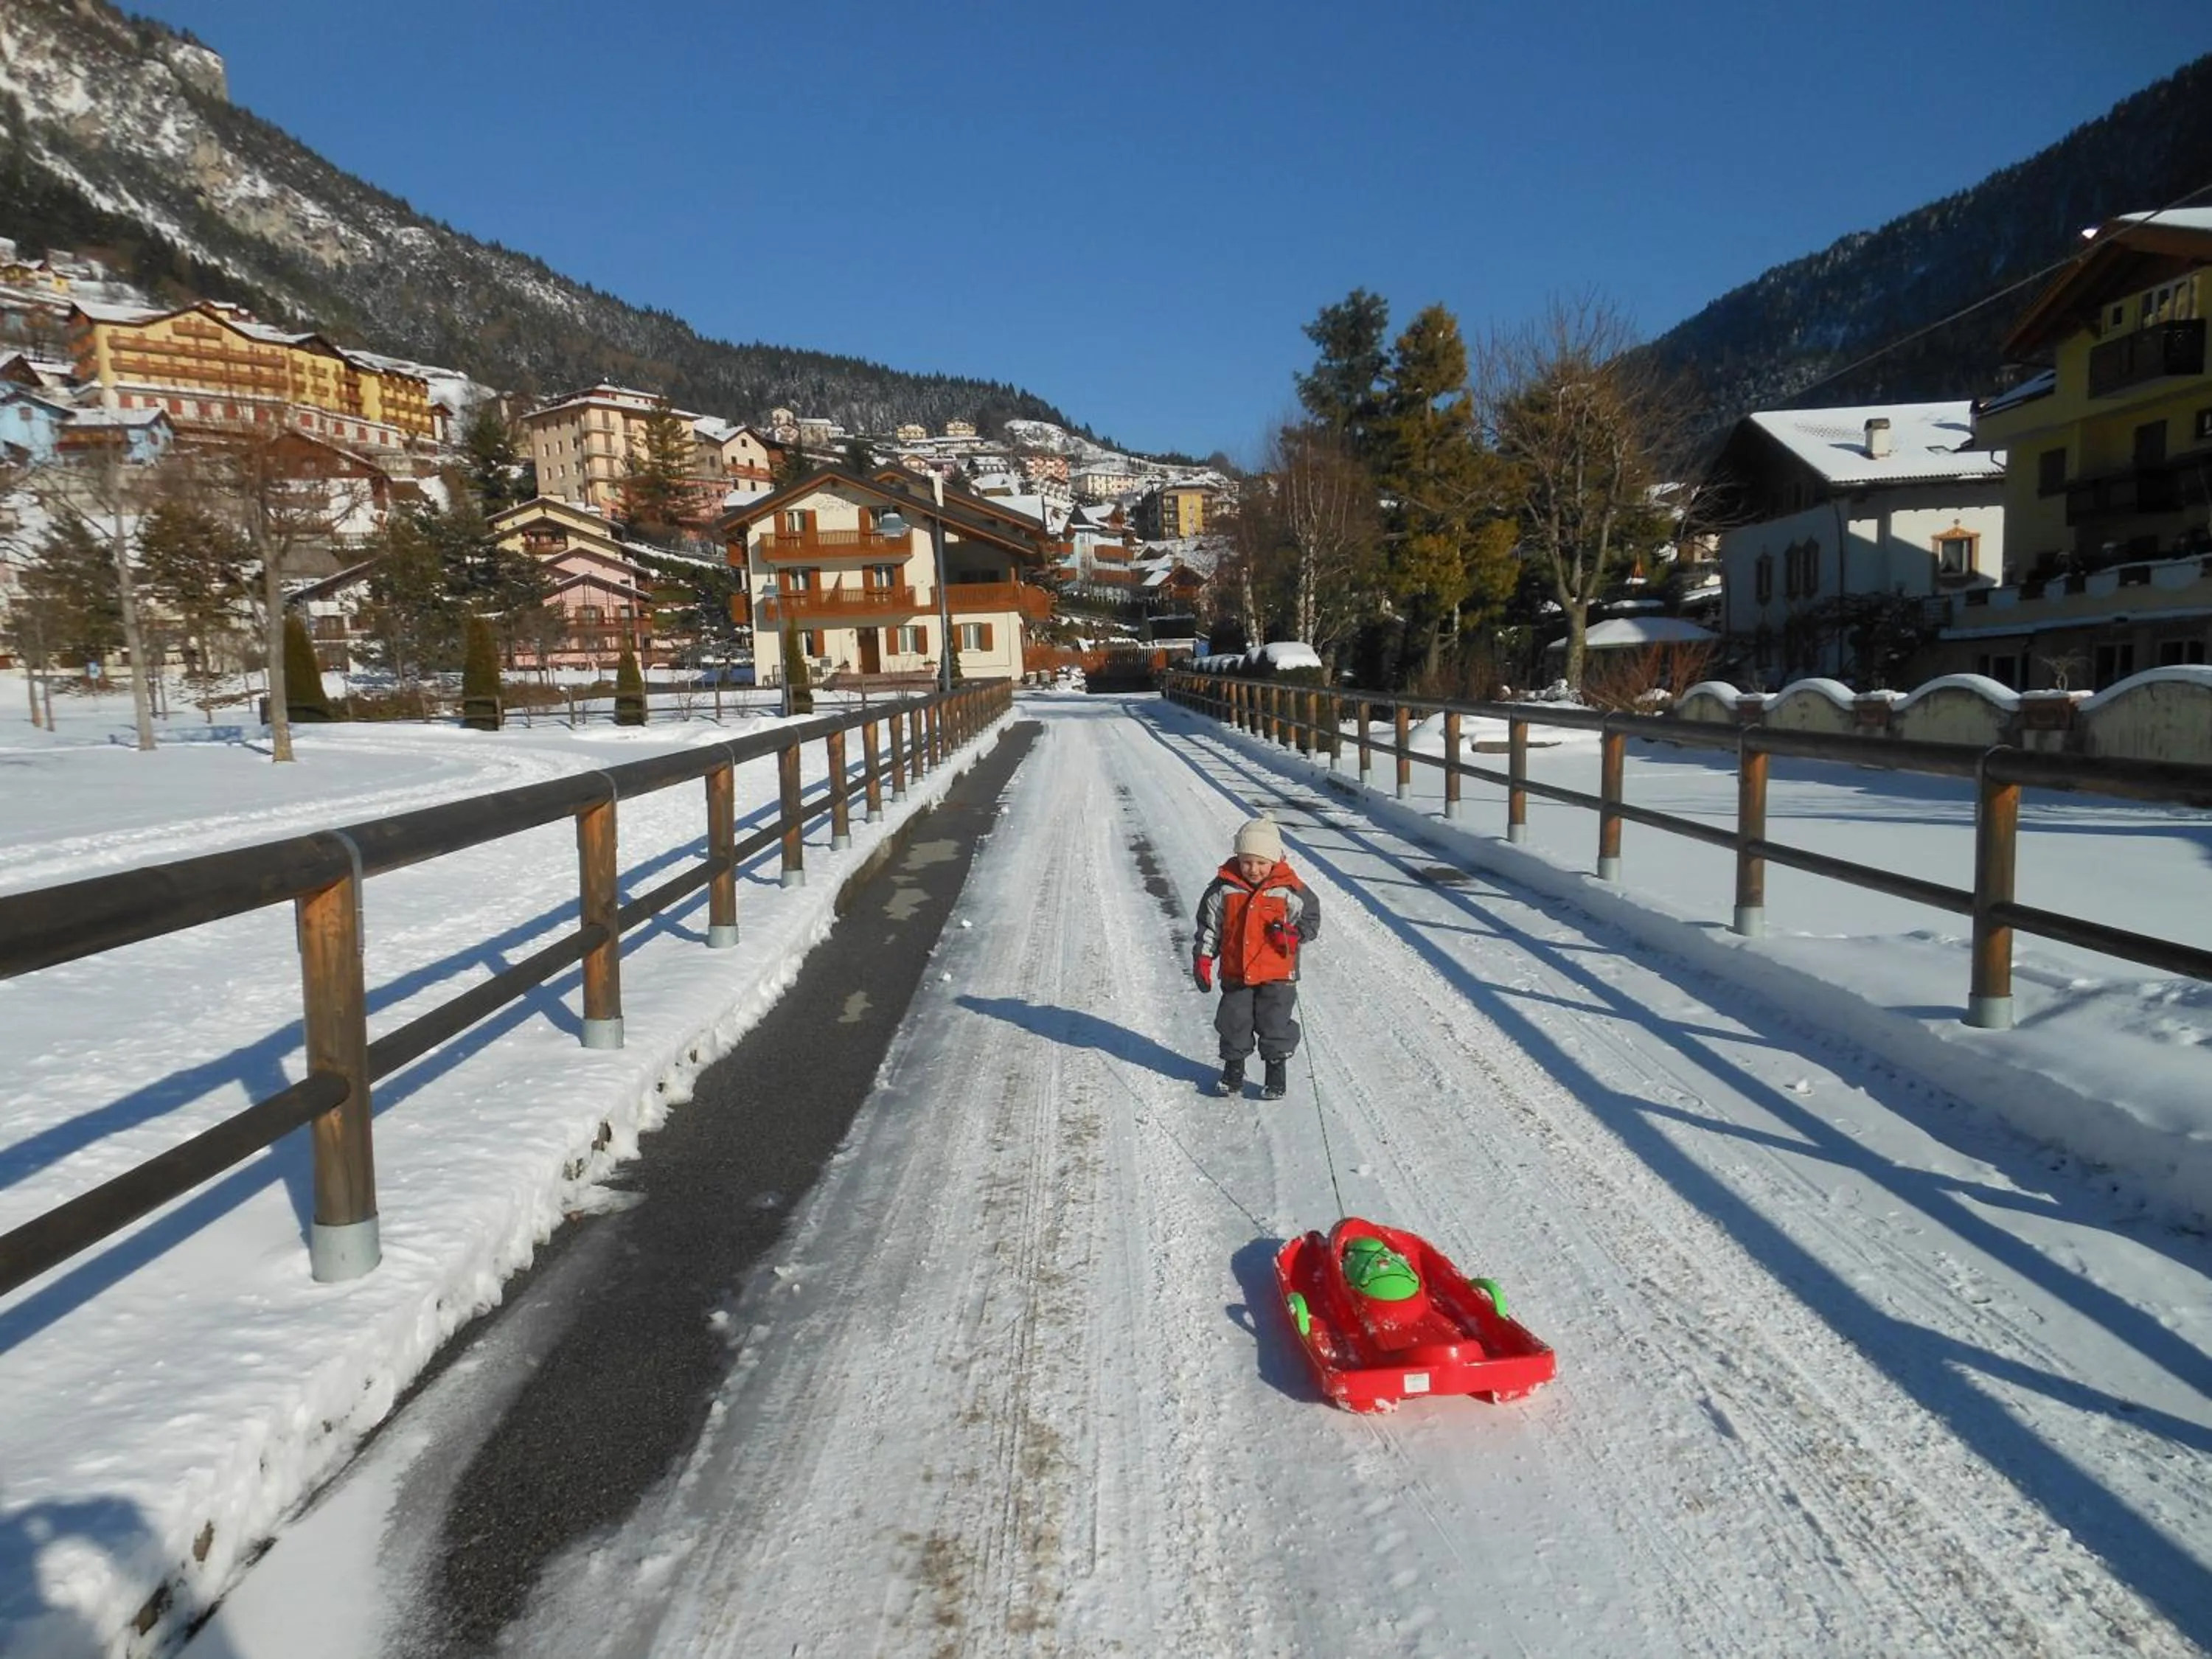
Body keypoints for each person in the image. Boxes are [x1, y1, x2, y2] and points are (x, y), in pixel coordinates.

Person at [1192, 815, 1321, 1099]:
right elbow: (1209, 928)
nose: (1253, 869)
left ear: (1274, 861)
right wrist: (1203, 959)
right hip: (1236, 972)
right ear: (1237, 857)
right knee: (1234, 1022)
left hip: (1277, 974)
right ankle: (1233, 1072)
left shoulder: (1288, 890)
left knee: (1275, 1024)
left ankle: (1276, 1076)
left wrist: (1293, 934)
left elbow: (1311, 919)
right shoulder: (1223, 889)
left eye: (1261, 863)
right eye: (1247, 861)